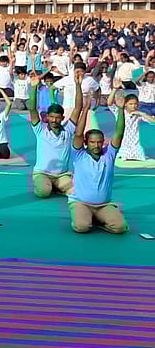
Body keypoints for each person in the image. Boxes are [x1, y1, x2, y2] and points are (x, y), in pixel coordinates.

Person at [68, 79, 128, 234]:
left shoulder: (109, 154)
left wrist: (121, 109)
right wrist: (86, 109)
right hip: (81, 202)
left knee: (120, 228)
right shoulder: (79, 155)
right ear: (86, 143)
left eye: (99, 142)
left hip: (104, 205)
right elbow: (78, 134)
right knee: (81, 227)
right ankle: (87, 217)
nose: (96, 145)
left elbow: (119, 134)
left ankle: (98, 220)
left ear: (103, 142)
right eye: (92, 142)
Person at [28, 72, 80, 198]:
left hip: (62, 175)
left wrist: (78, 85)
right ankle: (48, 186)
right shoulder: (41, 130)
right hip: (42, 173)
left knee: (75, 192)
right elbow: (32, 109)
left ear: (62, 118)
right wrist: (34, 87)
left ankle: (57, 187)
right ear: (47, 117)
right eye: (51, 117)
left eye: (57, 117)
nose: (54, 120)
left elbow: (78, 108)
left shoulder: (68, 130)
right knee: (43, 192)